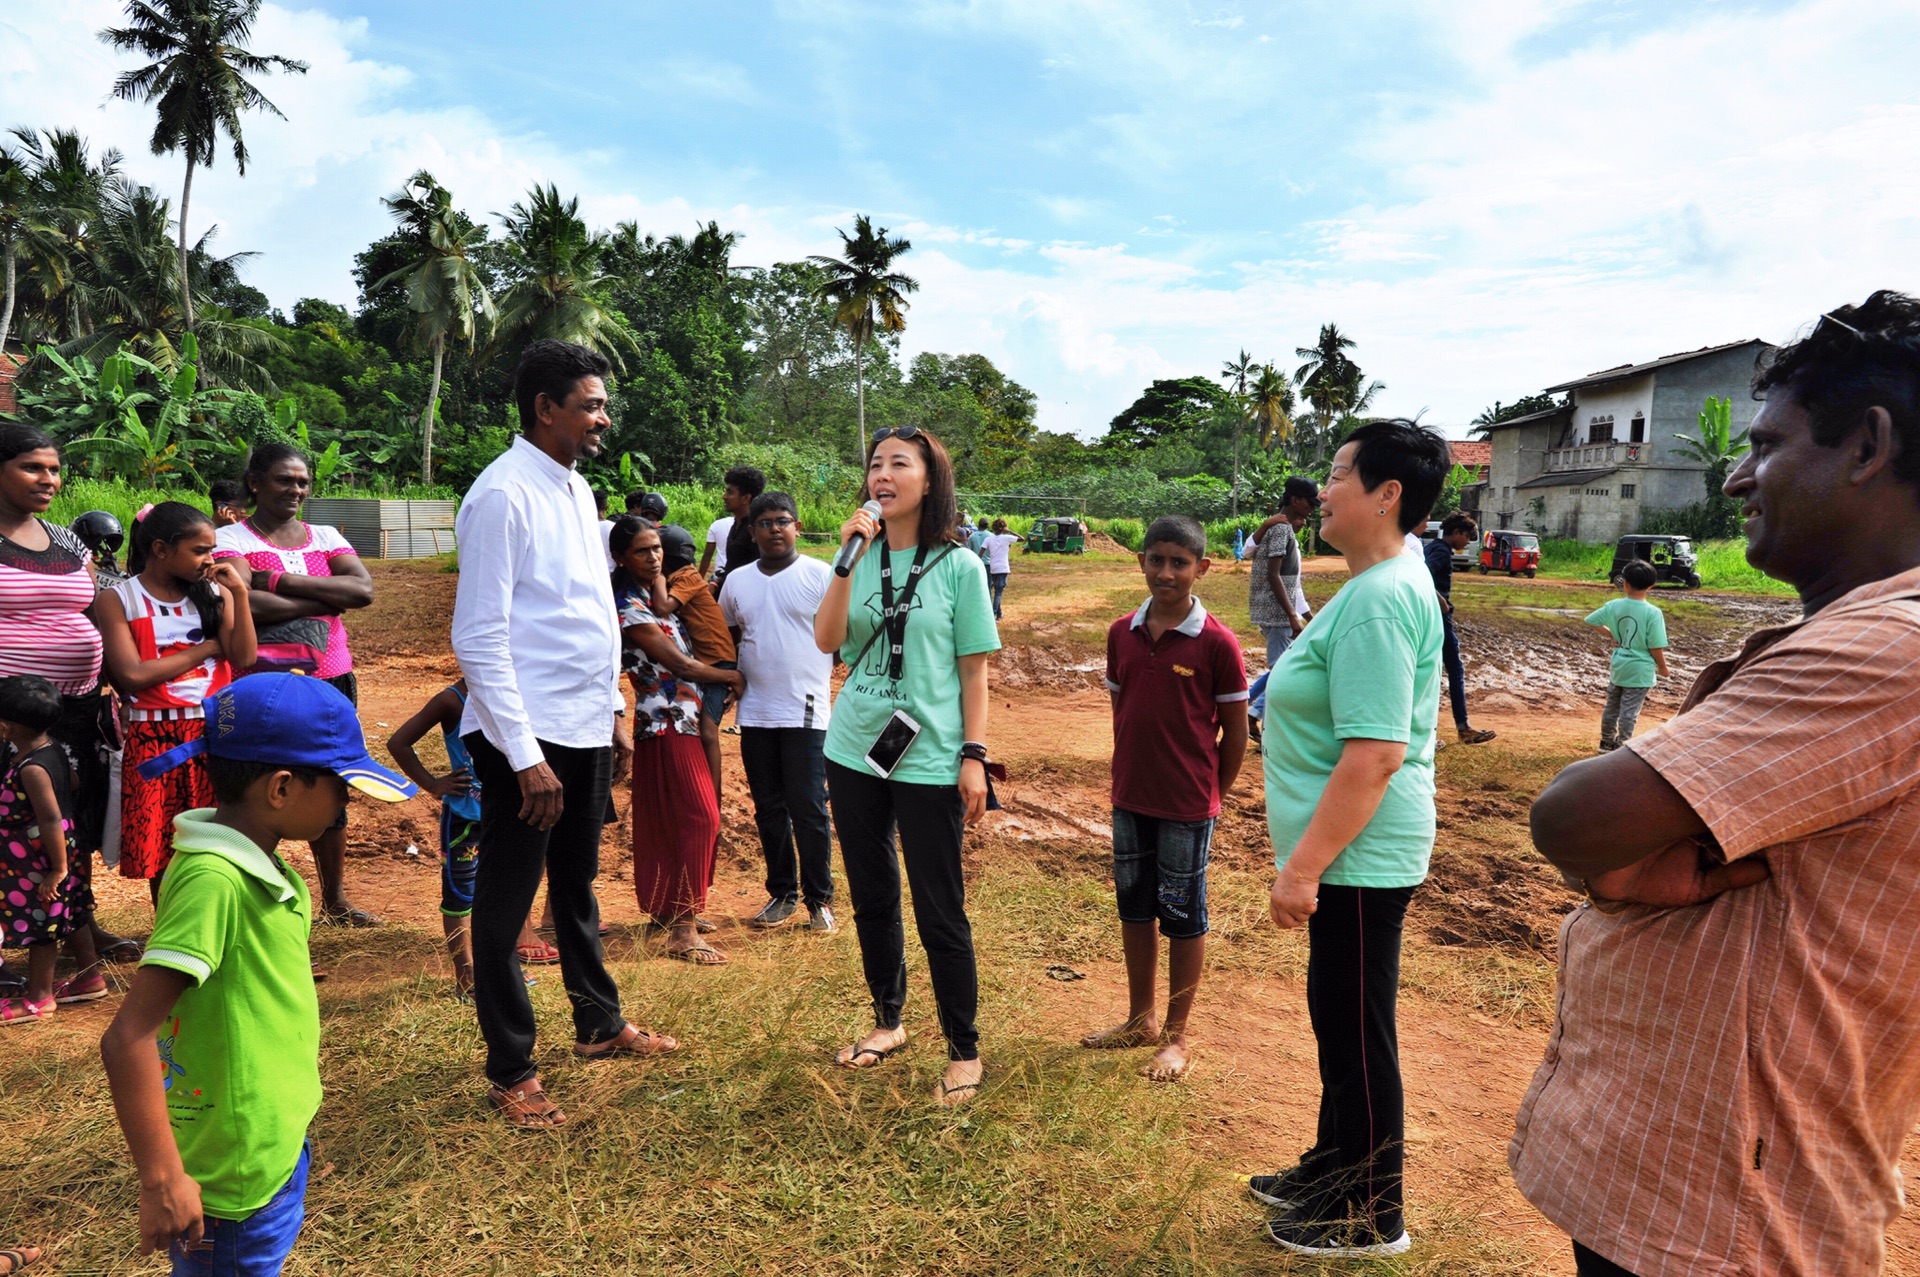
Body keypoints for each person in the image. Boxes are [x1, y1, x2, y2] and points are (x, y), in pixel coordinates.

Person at [1515, 291, 1920, 1277]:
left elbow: (1574, 815)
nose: (1739, 478)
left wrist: (1622, 850)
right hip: (1709, 1176)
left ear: (1867, 447)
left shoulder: (1888, 646)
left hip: (1731, 1210)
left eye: (1768, 444)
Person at [99, 674, 417, 1276]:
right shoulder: (214, 880)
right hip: (232, 1179)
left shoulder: (261, 866)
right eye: (342, 788)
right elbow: (127, 1036)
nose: (346, 806)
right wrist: (162, 1178)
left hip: (270, 1145)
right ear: (281, 788)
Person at [452, 339, 674, 1130]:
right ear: (546, 408)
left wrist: (611, 711)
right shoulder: (501, 495)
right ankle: (510, 1067)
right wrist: (525, 756)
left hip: (579, 725)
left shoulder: (577, 490)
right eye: (590, 404)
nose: (603, 418)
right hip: (527, 740)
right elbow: (480, 638)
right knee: (507, 905)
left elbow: (586, 611)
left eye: (602, 404)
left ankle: (598, 1021)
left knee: (576, 881)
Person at [1252, 419, 1449, 1258]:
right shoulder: (1376, 585)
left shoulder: (1381, 597)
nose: (1321, 489)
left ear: (1386, 494)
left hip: (1357, 855)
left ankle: (1370, 1214)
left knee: (1357, 1027)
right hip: (1352, 852)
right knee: (1338, 1017)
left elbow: (1374, 754)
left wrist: (1303, 868)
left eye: (1337, 474)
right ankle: (1333, 1169)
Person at [814, 424, 1000, 1107]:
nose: (882, 474)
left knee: (939, 906)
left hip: (929, 756)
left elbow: (973, 672)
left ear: (929, 480)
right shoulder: (856, 556)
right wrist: (842, 556)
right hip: (854, 748)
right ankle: (888, 1020)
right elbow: (828, 640)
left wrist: (973, 756)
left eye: (899, 463)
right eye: (874, 464)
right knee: (871, 894)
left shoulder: (960, 568)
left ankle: (963, 1049)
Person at [1082, 515, 1247, 1081]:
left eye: (1180, 562)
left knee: (1181, 914)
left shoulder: (1218, 643)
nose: (1167, 572)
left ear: (1202, 568)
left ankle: (1177, 1038)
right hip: (1130, 796)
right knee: (1134, 908)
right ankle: (1139, 1019)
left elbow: (1236, 734)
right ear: (1141, 562)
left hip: (1186, 804)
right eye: (1157, 559)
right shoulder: (1120, 633)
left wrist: (1210, 794)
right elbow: (1121, 711)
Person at [214, 442, 378, 926]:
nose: (296, 489)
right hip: (261, 684)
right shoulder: (233, 539)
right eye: (285, 480)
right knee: (260, 786)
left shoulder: (324, 533)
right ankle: (258, 895)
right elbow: (246, 605)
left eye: (303, 481)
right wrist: (326, 600)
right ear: (255, 483)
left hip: (330, 678)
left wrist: (278, 581)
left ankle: (335, 897)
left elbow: (363, 591)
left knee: (331, 780)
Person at [0, 425, 127, 977]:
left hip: (75, 710)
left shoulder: (67, 540)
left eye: (53, 469)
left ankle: (80, 921)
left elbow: (93, 607)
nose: (48, 479)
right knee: (9, 824)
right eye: (33, 467)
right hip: (10, 719)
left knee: (68, 818)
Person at [95, 503, 257, 915]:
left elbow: (243, 655)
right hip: (155, 738)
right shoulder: (119, 599)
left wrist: (238, 593)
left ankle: (224, 921)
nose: (211, 560)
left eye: (213, 549)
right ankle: (171, 927)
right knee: (161, 847)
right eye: (200, 550)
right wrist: (204, 649)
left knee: (224, 836)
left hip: (217, 731)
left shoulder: (215, 593)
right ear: (162, 549)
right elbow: (132, 675)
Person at [611, 516, 743, 964]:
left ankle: (671, 910)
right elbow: (681, 666)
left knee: (675, 819)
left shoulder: (655, 596)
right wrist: (732, 675)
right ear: (621, 558)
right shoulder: (630, 607)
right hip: (665, 722)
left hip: (680, 721)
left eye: (656, 548)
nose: (653, 557)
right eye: (641, 551)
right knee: (699, 818)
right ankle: (684, 928)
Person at [385, 678, 556, 998]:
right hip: (465, 821)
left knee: (503, 892)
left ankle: (500, 969)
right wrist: (433, 784)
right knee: (460, 897)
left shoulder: (516, 695)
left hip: (509, 815)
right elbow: (399, 743)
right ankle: (466, 975)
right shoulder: (451, 702)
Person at [721, 491, 837, 933]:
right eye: (765, 522)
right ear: (751, 531)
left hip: (805, 711)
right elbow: (729, 636)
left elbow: (839, 638)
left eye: (782, 521)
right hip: (755, 714)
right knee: (768, 808)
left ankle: (819, 901)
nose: (774, 529)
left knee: (809, 807)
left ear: (798, 526)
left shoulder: (821, 575)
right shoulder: (737, 581)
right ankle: (782, 894)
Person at [0, 676, 91, 1024]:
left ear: (7, 727)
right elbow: (73, 784)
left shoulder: (32, 768)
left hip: (39, 858)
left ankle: (40, 997)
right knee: (69, 911)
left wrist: (57, 868)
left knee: (42, 924)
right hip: (58, 849)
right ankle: (89, 974)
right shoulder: (50, 749)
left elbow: (50, 818)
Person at [648, 518, 737, 809]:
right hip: (709, 659)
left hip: (719, 663)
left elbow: (663, 607)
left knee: (708, 732)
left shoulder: (684, 576)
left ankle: (713, 799)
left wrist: (658, 579)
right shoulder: (685, 576)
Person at [1582, 560, 1668, 752]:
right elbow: (1655, 645)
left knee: (1611, 707)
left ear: (1625, 583)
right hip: (1640, 672)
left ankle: (1605, 743)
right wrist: (1662, 667)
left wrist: (1612, 634)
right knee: (1630, 711)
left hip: (1619, 667)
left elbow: (1591, 620)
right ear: (1651, 586)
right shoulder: (1653, 613)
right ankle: (1623, 746)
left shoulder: (1613, 605)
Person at [1425, 512, 1496, 745]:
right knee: (1453, 670)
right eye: (1467, 536)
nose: (1468, 541)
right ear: (1456, 533)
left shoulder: (1435, 547)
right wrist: (1441, 601)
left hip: (1434, 618)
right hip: (1438, 619)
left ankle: (1439, 730)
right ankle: (1462, 728)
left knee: (1435, 672)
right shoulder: (1441, 551)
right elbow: (1420, 576)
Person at [699, 465, 767, 583]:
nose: (724, 496)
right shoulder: (737, 524)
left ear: (745, 498)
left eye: (730, 492)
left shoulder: (755, 531)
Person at [982, 518, 1023, 620]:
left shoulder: (988, 539)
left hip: (993, 568)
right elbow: (1022, 538)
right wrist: (1009, 531)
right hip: (1003, 568)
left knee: (996, 590)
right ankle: (993, 615)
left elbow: (980, 553)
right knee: (998, 593)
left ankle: (999, 614)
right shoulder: (1007, 538)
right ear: (1003, 528)